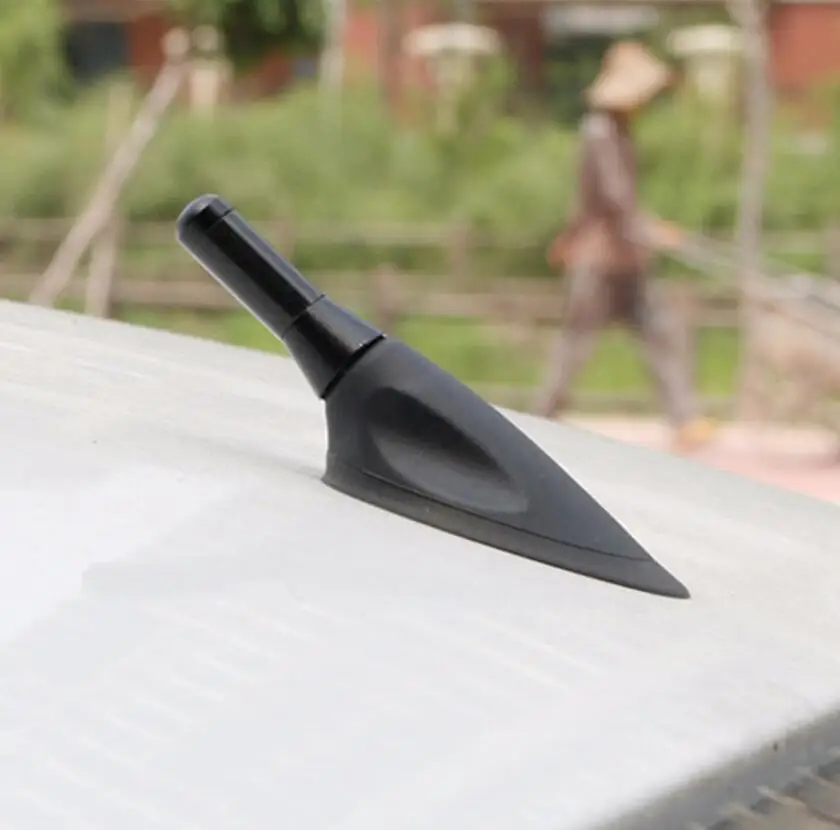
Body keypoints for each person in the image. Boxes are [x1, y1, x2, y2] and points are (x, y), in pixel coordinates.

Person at [535, 41, 717, 453]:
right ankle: (541, 419)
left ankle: (685, 418)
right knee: (576, 342)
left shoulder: (620, 130)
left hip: (628, 257)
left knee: (660, 333)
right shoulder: (599, 131)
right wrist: (648, 229)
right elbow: (612, 197)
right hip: (601, 257)